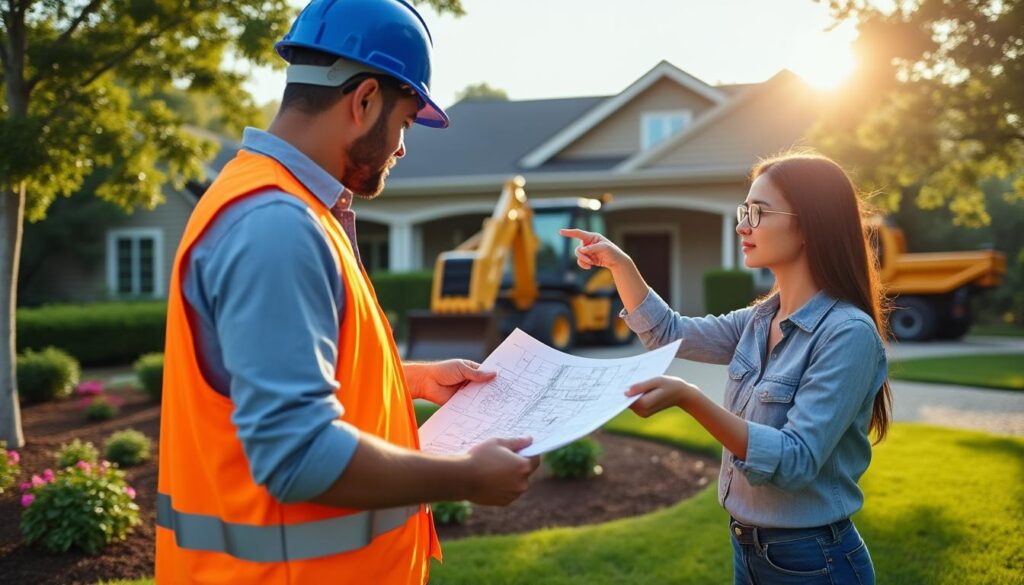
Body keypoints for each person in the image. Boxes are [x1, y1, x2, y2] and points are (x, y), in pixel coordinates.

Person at [155, 1, 538, 583]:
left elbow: (272, 373)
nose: (402, 147)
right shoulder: (278, 226)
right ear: (363, 101)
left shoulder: (278, 204)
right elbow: (298, 456)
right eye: (405, 123)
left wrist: (409, 380)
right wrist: (466, 476)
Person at [562, 152, 890, 584]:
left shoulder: (847, 334)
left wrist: (689, 398)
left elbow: (795, 459)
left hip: (815, 560)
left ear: (809, 225)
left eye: (759, 212)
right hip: (748, 550)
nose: (742, 226)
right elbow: (668, 332)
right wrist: (620, 265)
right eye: (744, 211)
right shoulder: (758, 320)